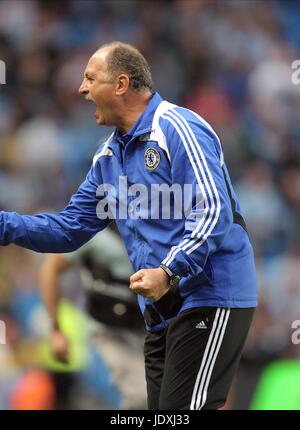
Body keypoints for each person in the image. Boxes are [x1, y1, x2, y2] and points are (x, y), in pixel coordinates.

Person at [0, 41, 258, 410]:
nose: (81, 88)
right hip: (158, 312)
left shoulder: (177, 127)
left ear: (121, 84)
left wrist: (169, 271)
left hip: (210, 296)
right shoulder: (108, 158)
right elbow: (67, 229)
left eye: (90, 78)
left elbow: (214, 211)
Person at [40, 226, 147, 409]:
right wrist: (56, 330)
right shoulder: (91, 229)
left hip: (150, 326)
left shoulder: (153, 224)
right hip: (110, 330)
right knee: (141, 396)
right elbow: (50, 270)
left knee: (168, 396)